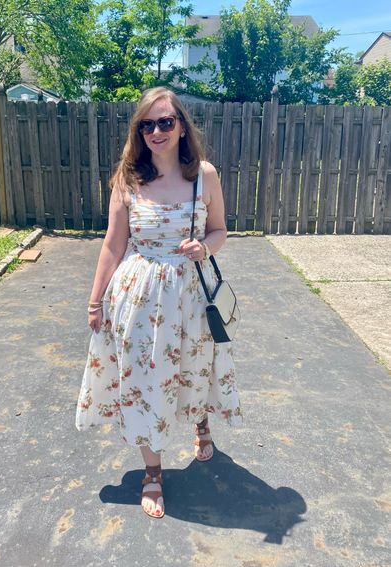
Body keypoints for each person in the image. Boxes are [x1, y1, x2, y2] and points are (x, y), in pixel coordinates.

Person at [76, 87, 242, 519]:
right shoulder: (127, 179)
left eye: (165, 121)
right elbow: (112, 246)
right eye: (146, 124)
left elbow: (221, 230)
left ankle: (200, 422)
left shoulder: (204, 175)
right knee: (146, 380)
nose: (156, 131)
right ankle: (152, 472)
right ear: (138, 131)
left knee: (192, 366)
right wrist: (95, 304)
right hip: (138, 297)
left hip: (190, 295)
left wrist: (204, 249)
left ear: (182, 126)